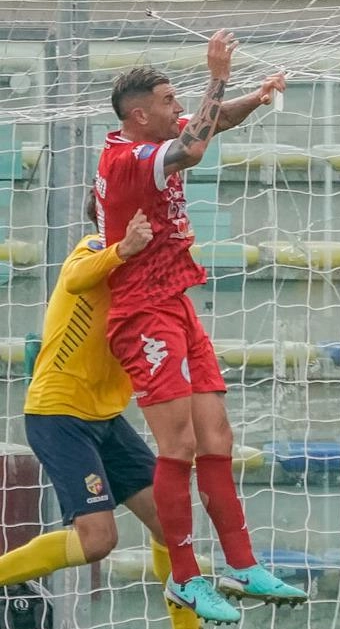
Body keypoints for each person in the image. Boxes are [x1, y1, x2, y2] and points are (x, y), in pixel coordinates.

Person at [94, 30, 308, 624]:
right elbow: (191, 147)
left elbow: (205, 125)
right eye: (168, 101)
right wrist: (218, 75)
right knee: (179, 445)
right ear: (141, 115)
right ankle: (187, 579)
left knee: (218, 439)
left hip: (176, 301)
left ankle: (240, 564)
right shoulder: (128, 158)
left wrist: (255, 100)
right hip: (142, 311)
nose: (178, 108)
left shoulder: (149, 137)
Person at [0, 198, 197, 629]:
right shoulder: (94, 249)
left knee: (171, 523)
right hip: (60, 414)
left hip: (105, 418)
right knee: (98, 540)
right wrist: (121, 249)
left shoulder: (152, 279)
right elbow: (72, 279)